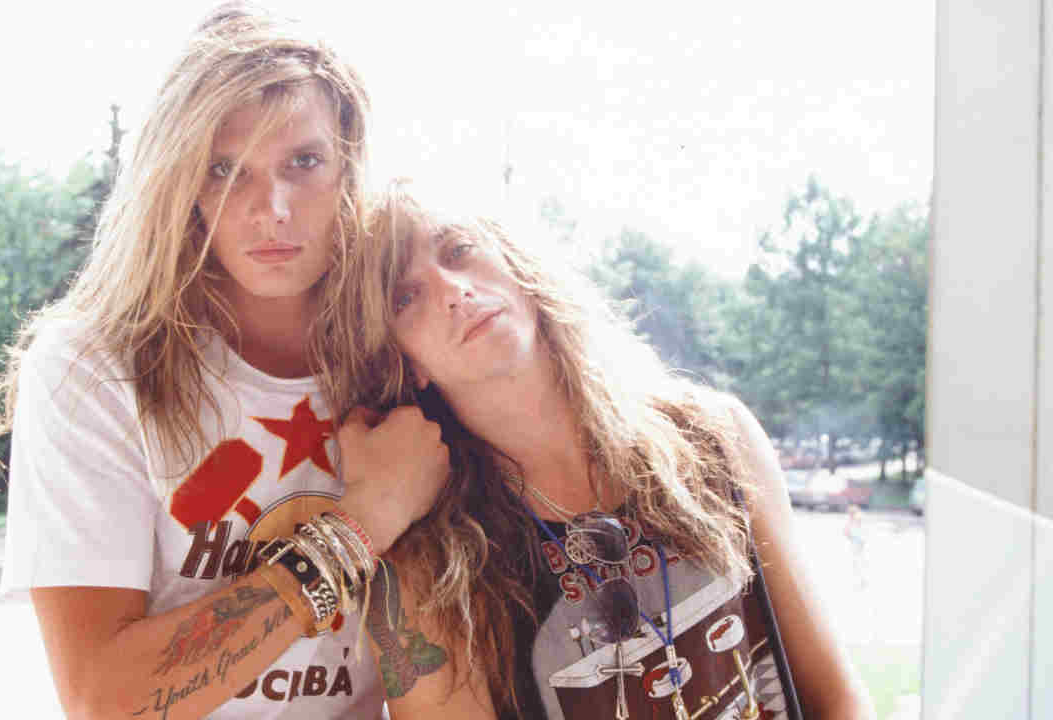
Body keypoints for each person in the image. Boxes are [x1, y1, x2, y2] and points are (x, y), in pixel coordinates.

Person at [0, 4, 447, 719]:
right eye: (225, 170)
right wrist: (362, 524)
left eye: (304, 162)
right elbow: (105, 701)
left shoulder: (403, 350)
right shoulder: (92, 368)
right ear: (182, 184)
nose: (271, 208)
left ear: (350, 166)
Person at [315, 183, 876, 719]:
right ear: (405, 362)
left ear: (516, 263)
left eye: (459, 250)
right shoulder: (427, 573)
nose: (452, 290)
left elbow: (838, 698)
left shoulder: (716, 436)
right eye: (405, 297)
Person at [843, 504, 867, 589]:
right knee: (857, 560)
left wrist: (848, 534)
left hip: (857, 542)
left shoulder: (856, 519)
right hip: (856, 541)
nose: (849, 514)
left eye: (850, 512)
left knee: (857, 561)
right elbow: (846, 532)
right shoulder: (853, 520)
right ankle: (860, 579)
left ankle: (861, 579)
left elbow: (848, 531)